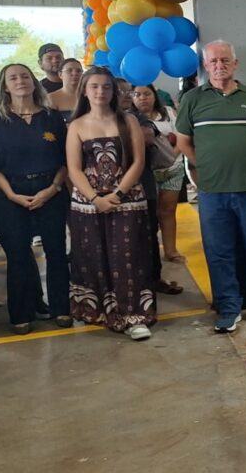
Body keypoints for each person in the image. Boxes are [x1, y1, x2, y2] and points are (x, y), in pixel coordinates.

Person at [175, 40, 246, 333]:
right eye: (213, 61)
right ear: (205, 66)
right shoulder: (193, 100)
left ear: (235, 64)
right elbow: (183, 142)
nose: (219, 66)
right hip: (213, 192)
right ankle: (229, 307)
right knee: (219, 251)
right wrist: (205, 165)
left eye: (225, 60)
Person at [66, 66, 156, 341]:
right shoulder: (77, 125)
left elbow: (138, 162)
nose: (100, 92)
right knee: (93, 256)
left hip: (127, 201)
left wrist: (116, 195)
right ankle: (100, 312)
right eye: (94, 86)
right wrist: (95, 198)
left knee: (129, 257)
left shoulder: (127, 121)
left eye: (106, 86)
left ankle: (134, 316)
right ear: (85, 90)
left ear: (114, 91)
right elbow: (74, 168)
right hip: (87, 205)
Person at [0, 64, 70, 335]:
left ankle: (61, 308)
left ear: (34, 82)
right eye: (13, 77)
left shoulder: (51, 117)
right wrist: (10, 194)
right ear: (5, 86)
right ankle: (21, 314)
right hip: (9, 194)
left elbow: (64, 159)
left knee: (56, 252)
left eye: (25, 76)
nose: (20, 81)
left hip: (51, 192)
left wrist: (54, 188)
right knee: (19, 254)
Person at [132, 84, 187, 266]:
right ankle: (149, 253)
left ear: (154, 96)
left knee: (168, 211)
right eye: (137, 94)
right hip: (147, 174)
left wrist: (172, 157)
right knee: (149, 215)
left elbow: (181, 137)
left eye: (147, 94)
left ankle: (171, 250)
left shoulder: (169, 113)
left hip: (173, 169)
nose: (142, 98)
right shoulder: (130, 119)